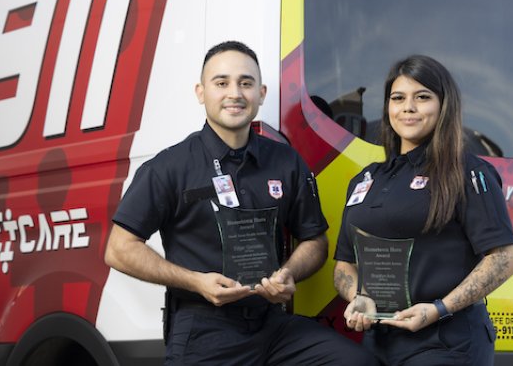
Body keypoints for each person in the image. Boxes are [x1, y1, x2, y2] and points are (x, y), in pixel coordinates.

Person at [105, 41, 378, 365]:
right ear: (200, 92)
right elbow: (119, 248)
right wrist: (196, 282)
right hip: (204, 327)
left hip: (272, 325)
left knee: (355, 361)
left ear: (261, 93)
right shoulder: (169, 167)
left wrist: (288, 273)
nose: (234, 93)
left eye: (245, 83)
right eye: (221, 83)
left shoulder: (286, 161)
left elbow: (315, 240)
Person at [333, 55, 513, 366]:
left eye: (422, 97)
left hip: (446, 342)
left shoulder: (468, 171)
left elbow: (505, 258)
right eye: (398, 98)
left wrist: (439, 309)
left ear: (443, 106)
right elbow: (344, 266)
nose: (408, 107)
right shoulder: (366, 179)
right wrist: (359, 296)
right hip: (379, 342)